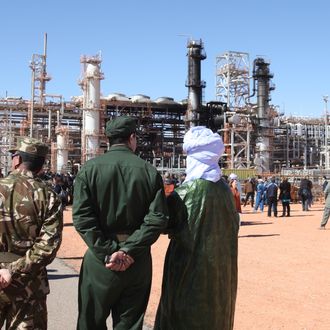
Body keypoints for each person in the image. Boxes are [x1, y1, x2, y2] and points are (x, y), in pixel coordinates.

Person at [73, 116, 168, 330]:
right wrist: (128, 251)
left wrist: (108, 252)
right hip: (136, 261)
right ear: (132, 138)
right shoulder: (149, 171)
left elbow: (82, 218)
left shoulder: (88, 170)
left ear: (108, 139)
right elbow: (157, 219)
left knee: (91, 322)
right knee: (130, 323)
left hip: (100, 260)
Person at [155, 126, 239, 330]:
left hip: (188, 275)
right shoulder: (226, 192)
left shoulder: (184, 193)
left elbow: (163, 224)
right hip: (222, 276)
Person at [0, 137, 63, 329]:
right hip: (30, 284)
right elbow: (47, 247)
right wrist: (12, 270)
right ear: (41, 166)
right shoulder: (49, 196)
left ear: (17, 160)